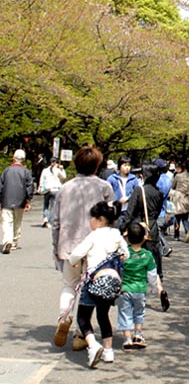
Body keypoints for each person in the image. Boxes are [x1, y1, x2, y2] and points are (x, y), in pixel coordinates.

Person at [52, 145, 116, 350]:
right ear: (98, 165)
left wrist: (56, 247)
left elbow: (55, 221)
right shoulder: (104, 187)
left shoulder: (65, 188)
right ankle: (81, 334)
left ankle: (64, 316)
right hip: (96, 248)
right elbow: (112, 219)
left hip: (69, 245)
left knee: (69, 285)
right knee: (90, 291)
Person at [69, 201, 130, 367]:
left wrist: (75, 260)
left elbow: (75, 255)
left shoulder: (94, 235)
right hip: (111, 281)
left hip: (93, 282)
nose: (91, 221)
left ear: (100, 219)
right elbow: (127, 254)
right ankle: (108, 351)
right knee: (103, 316)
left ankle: (93, 344)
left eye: (92, 218)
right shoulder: (117, 234)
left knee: (83, 317)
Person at [117, 222, 164, 350]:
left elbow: (118, 270)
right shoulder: (147, 256)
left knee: (124, 314)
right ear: (144, 238)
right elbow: (152, 275)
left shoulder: (123, 254)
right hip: (140, 289)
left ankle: (127, 339)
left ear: (127, 237)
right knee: (139, 313)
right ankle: (137, 335)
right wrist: (155, 288)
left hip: (124, 289)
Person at [123, 162, 165, 280]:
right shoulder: (159, 193)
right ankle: (157, 276)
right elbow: (157, 211)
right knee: (154, 252)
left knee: (136, 252)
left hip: (139, 226)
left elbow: (129, 213)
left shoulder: (139, 190)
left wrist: (123, 227)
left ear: (144, 175)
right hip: (152, 226)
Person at [0, 149, 34, 254]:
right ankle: (14, 242)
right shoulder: (26, 172)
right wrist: (28, 200)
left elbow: (0, 186)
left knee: (7, 221)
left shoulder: (6, 170)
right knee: (17, 221)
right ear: (23, 160)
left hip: (6, 200)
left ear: (14, 158)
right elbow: (30, 187)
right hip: (21, 200)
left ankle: (7, 240)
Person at [169, 160, 189, 243]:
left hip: (178, 197)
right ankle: (187, 230)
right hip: (188, 197)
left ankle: (176, 235)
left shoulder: (178, 176)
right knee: (185, 217)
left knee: (177, 216)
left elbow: (173, 186)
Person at [39, 157, 66, 228]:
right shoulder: (57, 170)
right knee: (53, 206)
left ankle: (45, 218)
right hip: (55, 190)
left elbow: (41, 179)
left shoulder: (45, 170)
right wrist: (62, 169)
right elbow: (64, 177)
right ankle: (50, 221)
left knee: (46, 205)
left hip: (47, 189)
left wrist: (41, 187)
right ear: (56, 163)